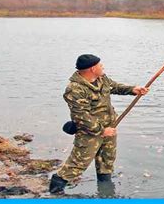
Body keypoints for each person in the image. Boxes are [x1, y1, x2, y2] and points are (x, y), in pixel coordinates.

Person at [49, 54, 149, 195]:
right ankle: (55, 191)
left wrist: (133, 90)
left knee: (106, 160)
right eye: (100, 65)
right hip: (89, 132)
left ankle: (105, 189)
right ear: (92, 69)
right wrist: (102, 130)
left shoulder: (102, 78)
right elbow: (81, 116)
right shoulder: (75, 89)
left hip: (110, 126)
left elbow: (114, 87)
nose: (103, 66)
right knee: (78, 163)